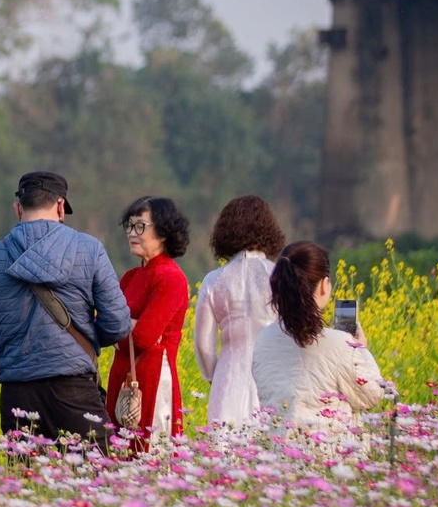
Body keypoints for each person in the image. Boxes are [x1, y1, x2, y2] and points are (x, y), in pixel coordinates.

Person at [0, 170, 132, 450]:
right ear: (61, 206)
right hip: (75, 390)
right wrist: (80, 341)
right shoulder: (89, 249)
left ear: (18, 208)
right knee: (94, 486)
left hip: (17, 395)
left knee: (29, 486)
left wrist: (13, 342)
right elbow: (118, 323)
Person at [253, 241, 388, 431]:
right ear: (324, 286)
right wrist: (361, 349)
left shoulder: (263, 339)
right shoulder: (342, 344)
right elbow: (372, 396)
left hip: (276, 453)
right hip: (329, 456)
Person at [106, 196, 193, 455]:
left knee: (149, 454)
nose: (132, 233)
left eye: (141, 226)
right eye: (130, 226)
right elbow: (107, 328)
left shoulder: (171, 277)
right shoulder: (131, 276)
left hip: (153, 378)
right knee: (116, 454)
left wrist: (122, 326)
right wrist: (127, 327)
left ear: (164, 232)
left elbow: (143, 337)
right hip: (122, 375)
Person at [193, 195, 285, 427]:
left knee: (225, 452)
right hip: (273, 375)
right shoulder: (280, 276)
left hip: (229, 377)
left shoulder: (214, 280)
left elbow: (203, 345)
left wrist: (214, 375)